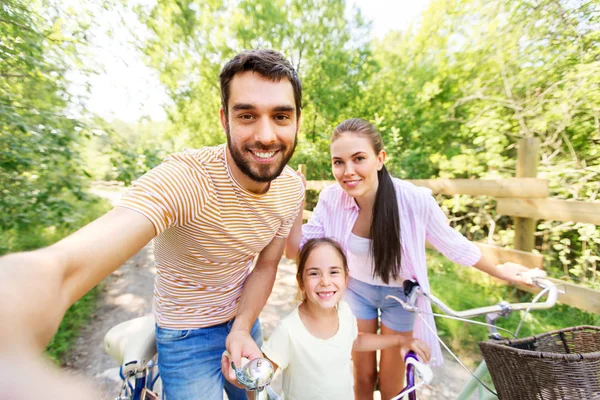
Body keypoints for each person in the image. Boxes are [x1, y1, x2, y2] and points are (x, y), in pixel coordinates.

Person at [0, 49, 305, 400]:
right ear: (224, 120)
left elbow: (267, 265)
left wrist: (240, 326)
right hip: (184, 333)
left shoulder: (291, 188)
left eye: (281, 116)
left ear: (297, 120)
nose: (266, 135)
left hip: (243, 319)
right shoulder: (188, 179)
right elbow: (65, 267)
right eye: (247, 115)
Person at [285, 118, 533, 400]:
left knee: (393, 384)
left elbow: (454, 245)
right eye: (338, 162)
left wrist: (501, 272)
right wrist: (297, 202)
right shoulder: (332, 199)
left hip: (400, 297)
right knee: (362, 377)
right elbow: (294, 250)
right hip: (356, 291)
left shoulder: (414, 200)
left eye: (359, 159)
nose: (348, 171)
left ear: (380, 159)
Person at [252, 237, 429, 400]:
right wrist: (246, 378)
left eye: (334, 272)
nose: (325, 281)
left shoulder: (344, 311)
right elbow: (260, 380)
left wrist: (400, 340)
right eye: (314, 273)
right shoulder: (289, 330)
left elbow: (355, 340)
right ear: (301, 282)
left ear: (346, 277)